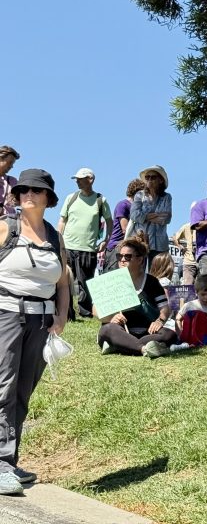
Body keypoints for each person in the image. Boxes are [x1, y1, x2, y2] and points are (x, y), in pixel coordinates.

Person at [0, 169, 69, 495]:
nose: (29, 194)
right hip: (7, 315)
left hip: (41, 321)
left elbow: (63, 282)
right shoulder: (5, 228)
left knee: (23, 390)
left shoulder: (55, 238)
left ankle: (9, 461)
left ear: (48, 198)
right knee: (3, 386)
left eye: (36, 190)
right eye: (24, 189)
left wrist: (62, 315)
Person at [95, 233, 176, 358]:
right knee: (107, 330)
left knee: (169, 334)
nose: (122, 260)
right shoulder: (111, 280)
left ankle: (121, 346)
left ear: (140, 259)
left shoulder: (151, 282)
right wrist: (111, 317)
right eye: (119, 256)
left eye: (127, 257)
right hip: (119, 329)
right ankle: (143, 348)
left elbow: (165, 308)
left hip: (146, 331)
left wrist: (159, 321)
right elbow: (95, 309)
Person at [58, 168, 112, 318]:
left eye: (80, 179)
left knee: (86, 283)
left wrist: (106, 240)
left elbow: (109, 222)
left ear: (90, 180)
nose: (77, 181)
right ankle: (68, 313)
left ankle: (85, 313)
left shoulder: (101, 200)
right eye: (76, 179)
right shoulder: (71, 198)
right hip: (68, 246)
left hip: (88, 248)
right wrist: (59, 238)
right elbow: (62, 220)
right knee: (65, 281)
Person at [130, 165, 172, 262]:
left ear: (160, 180)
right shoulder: (139, 195)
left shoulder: (166, 197)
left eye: (153, 177)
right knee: (139, 274)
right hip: (141, 242)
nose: (149, 179)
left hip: (160, 245)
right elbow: (134, 215)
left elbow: (166, 218)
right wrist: (150, 216)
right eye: (147, 177)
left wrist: (143, 216)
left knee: (156, 274)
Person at [105, 178, 145, 272]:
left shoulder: (139, 209)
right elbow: (125, 229)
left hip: (130, 248)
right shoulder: (123, 205)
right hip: (117, 247)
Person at [0, 145, 20, 217]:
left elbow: (19, 202)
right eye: (10, 162)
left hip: (9, 223)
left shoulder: (12, 181)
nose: (11, 166)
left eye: (13, 163)